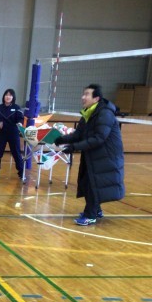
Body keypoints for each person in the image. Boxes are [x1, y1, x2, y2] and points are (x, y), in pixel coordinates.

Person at [53, 84, 125, 226]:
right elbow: (79, 134)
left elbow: (99, 138)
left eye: (86, 94)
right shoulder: (88, 113)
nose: (83, 97)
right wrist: (62, 139)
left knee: (93, 184)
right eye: (83, 94)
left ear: (96, 98)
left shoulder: (105, 114)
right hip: (93, 154)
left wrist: (74, 147)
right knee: (87, 182)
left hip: (106, 157)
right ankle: (96, 210)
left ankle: (90, 215)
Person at [0, 89, 26, 182]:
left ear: (13, 97)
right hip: (2, 133)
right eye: (6, 95)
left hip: (13, 133)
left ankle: (21, 173)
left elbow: (20, 118)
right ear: (4, 96)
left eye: (10, 95)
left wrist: (19, 123)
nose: (8, 97)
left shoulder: (17, 108)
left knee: (16, 153)